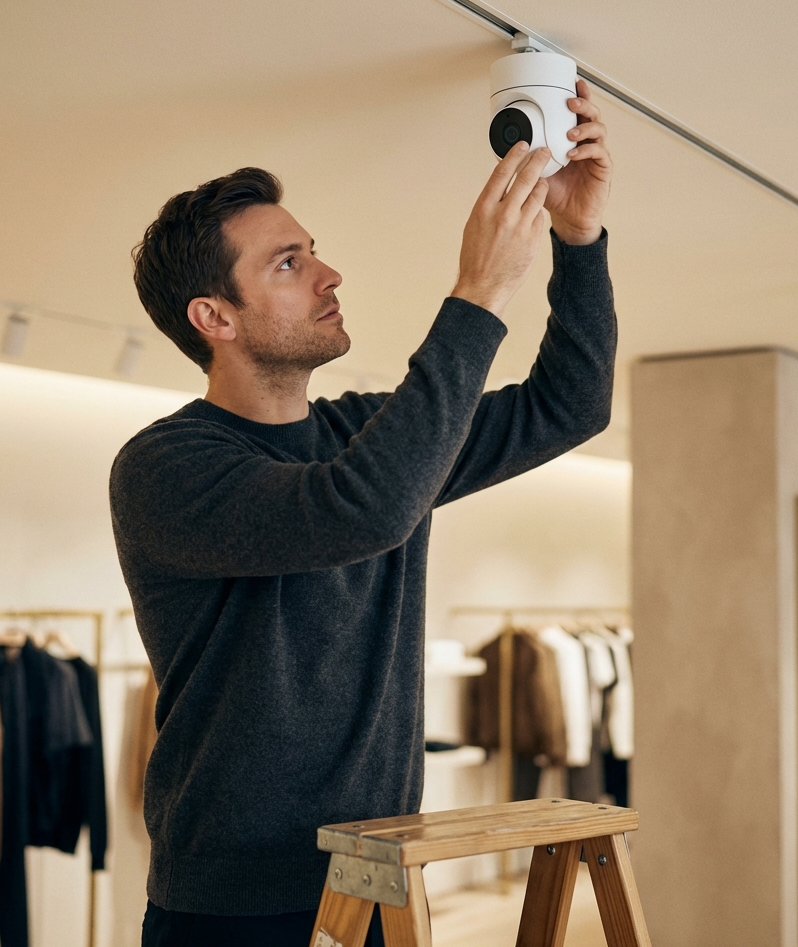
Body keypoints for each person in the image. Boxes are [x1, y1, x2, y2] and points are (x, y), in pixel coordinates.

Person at [111, 80, 615, 947]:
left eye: (312, 250)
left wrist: (578, 240)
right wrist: (478, 294)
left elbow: (571, 404)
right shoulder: (165, 467)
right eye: (287, 264)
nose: (328, 274)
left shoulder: (368, 435)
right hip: (232, 907)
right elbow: (364, 509)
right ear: (213, 318)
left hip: (378, 879)